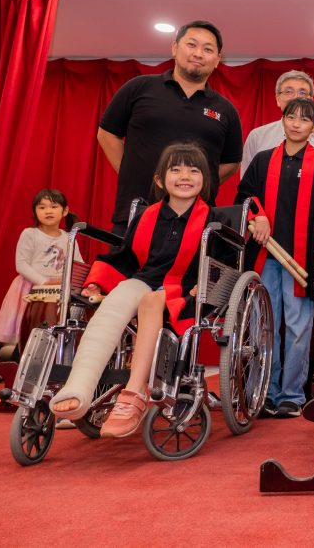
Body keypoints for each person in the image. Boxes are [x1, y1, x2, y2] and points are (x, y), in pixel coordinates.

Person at [50, 143, 219, 438]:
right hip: (146, 279)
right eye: (175, 169)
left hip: (188, 292)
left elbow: (223, 265)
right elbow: (125, 258)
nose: (185, 176)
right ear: (159, 180)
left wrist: (205, 286)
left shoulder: (214, 223)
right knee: (116, 300)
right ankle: (80, 384)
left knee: (151, 301)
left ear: (205, 179)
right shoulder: (147, 216)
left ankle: (133, 393)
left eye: (194, 171)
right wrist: (97, 282)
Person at [236, 97, 314, 418]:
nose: (296, 123)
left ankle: (292, 395)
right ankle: (264, 392)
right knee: (264, 325)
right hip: (265, 255)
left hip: (304, 258)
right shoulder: (262, 161)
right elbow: (244, 198)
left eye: (304, 119)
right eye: (291, 117)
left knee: (298, 327)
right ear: (282, 120)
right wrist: (257, 215)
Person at [97, 20, 243, 235]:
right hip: (136, 213)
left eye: (208, 49)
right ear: (175, 47)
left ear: (217, 60)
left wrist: (189, 183)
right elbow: (107, 134)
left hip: (195, 222)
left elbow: (231, 164)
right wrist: (131, 171)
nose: (198, 53)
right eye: (191, 45)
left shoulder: (225, 109)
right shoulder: (139, 87)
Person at [0, 189, 83, 346]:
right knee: (30, 329)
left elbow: (78, 266)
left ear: (65, 211)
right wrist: (44, 282)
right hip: (32, 287)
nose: (48, 211)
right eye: (42, 207)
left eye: (54, 206)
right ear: (35, 212)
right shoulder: (30, 234)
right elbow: (21, 264)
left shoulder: (69, 238)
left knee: (58, 328)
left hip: (60, 289)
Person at [241, 70, 314, 175]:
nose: (296, 97)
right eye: (289, 91)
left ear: (311, 100)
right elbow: (247, 182)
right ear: (278, 99)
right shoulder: (257, 136)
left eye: (302, 92)